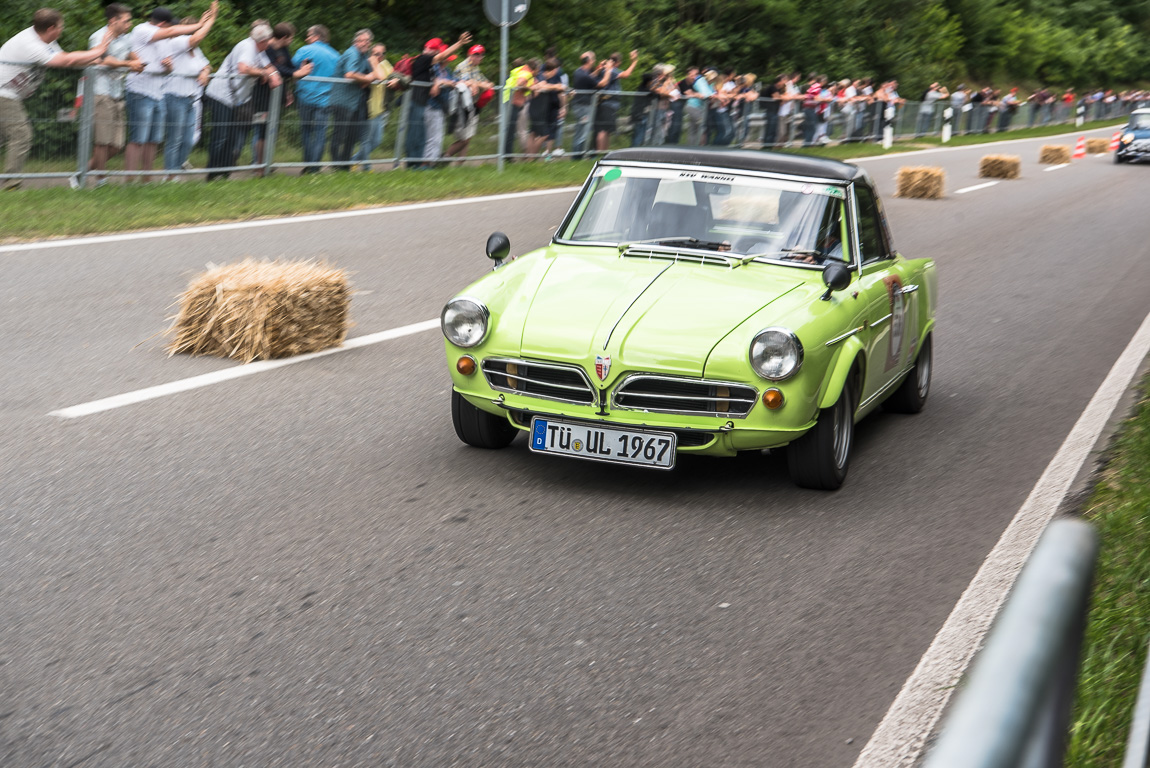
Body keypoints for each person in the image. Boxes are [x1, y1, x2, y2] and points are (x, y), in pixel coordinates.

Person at [0, 9, 113, 189]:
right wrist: (98, 50)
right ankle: (12, 185)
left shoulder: (48, 41)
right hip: (3, 94)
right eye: (61, 26)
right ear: (52, 28)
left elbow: (69, 59)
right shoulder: (30, 43)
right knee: (21, 135)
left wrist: (96, 58)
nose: (62, 29)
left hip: (9, 95)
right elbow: (65, 61)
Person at [124, 5, 216, 180]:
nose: (172, 31)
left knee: (154, 140)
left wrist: (168, 66)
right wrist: (204, 23)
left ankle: (147, 179)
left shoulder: (163, 42)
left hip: (158, 93)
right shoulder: (142, 29)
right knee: (139, 138)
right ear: (163, 24)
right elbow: (178, 32)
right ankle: (130, 180)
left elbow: (168, 68)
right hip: (142, 91)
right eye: (170, 27)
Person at [74, 4, 142, 188]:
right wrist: (129, 65)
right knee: (102, 142)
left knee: (117, 144)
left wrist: (139, 62)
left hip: (117, 93)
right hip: (99, 92)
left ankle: (82, 172)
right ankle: (100, 181)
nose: (130, 23)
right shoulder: (98, 36)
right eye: (126, 20)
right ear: (113, 20)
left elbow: (133, 56)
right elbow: (102, 59)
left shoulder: (125, 39)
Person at [202, 22, 279, 180]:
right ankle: (212, 173)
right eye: (268, 40)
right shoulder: (247, 47)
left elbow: (269, 67)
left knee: (231, 137)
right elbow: (243, 69)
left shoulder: (259, 50)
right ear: (262, 41)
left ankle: (223, 173)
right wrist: (263, 74)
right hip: (221, 95)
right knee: (221, 135)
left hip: (236, 99)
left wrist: (272, 75)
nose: (270, 43)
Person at [158, 13, 215, 180]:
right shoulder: (176, 43)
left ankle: (176, 170)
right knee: (175, 139)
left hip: (191, 98)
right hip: (175, 96)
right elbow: (196, 39)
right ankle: (169, 176)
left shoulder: (195, 50)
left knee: (189, 140)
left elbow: (207, 65)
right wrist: (210, 21)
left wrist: (205, 72)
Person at [407, 33, 470, 168]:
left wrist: (437, 82)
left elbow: (435, 77)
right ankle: (419, 164)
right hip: (421, 102)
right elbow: (441, 58)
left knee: (427, 136)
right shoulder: (424, 58)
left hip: (424, 103)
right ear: (432, 50)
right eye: (436, 50)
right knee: (420, 136)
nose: (439, 55)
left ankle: (424, 164)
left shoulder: (429, 64)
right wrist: (459, 43)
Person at [291, 25, 339, 173]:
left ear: (317, 36)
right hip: (325, 100)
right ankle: (315, 166)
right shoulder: (336, 55)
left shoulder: (305, 50)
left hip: (305, 97)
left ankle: (308, 164)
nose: (307, 38)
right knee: (320, 133)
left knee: (306, 130)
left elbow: (291, 67)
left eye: (309, 35)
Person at [249, 22, 294, 172]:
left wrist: (287, 91)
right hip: (262, 95)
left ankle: (266, 163)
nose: (292, 41)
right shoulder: (266, 49)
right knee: (260, 130)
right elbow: (277, 69)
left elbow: (288, 68)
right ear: (285, 37)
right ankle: (258, 165)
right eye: (291, 38)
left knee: (271, 130)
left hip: (276, 95)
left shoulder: (285, 50)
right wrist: (294, 73)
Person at [329, 29, 374, 170]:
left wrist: (369, 75)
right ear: (355, 42)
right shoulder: (352, 53)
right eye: (362, 40)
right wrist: (366, 78)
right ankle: (336, 165)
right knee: (339, 134)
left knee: (351, 135)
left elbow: (375, 73)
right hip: (341, 101)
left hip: (353, 102)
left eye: (368, 41)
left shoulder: (363, 55)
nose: (365, 43)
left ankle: (345, 166)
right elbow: (349, 74)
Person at [445, 43, 491, 160]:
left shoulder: (476, 68)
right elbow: (465, 81)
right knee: (464, 138)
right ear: (469, 54)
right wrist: (478, 84)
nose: (478, 57)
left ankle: (461, 164)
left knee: (468, 137)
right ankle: (444, 158)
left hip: (472, 105)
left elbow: (487, 83)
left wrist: (479, 84)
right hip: (461, 106)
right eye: (475, 54)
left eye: (480, 55)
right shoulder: (463, 66)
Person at [353, 42, 393, 171]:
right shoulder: (368, 64)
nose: (380, 56)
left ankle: (352, 160)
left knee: (376, 141)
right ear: (371, 54)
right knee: (366, 140)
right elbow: (380, 77)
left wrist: (397, 79)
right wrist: (374, 62)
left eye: (382, 53)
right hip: (369, 108)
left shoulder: (385, 64)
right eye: (376, 54)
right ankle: (366, 167)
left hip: (381, 109)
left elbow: (394, 75)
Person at [594, 50, 638, 151]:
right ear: (617, 62)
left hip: (608, 104)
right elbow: (626, 74)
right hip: (607, 104)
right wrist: (634, 61)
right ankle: (600, 152)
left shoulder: (608, 70)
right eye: (620, 62)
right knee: (603, 131)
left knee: (607, 130)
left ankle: (604, 153)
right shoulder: (611, 71)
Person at [527, 57, 565, 157]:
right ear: (552, 70)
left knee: (534, 133)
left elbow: (557, 87)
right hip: (537, 109)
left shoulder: (548, 77)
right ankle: (531, 158)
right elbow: (540, 86)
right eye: (555, 70)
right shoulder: (541, 76)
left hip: (542, 109)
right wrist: (555, 86)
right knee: (544, 135)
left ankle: (529, 157)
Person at [569, 51, 598, 158]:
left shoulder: (579, 72)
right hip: (583, 107)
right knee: (582, 131)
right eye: (593, 59)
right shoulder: (584, 74)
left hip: (582, 105)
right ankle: (577, 156)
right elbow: (600, 84)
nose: (594, 62)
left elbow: (591, 78)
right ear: (589, 61)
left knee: (581, 130)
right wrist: (608, 70)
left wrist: (597, 70)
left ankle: (578, 155)